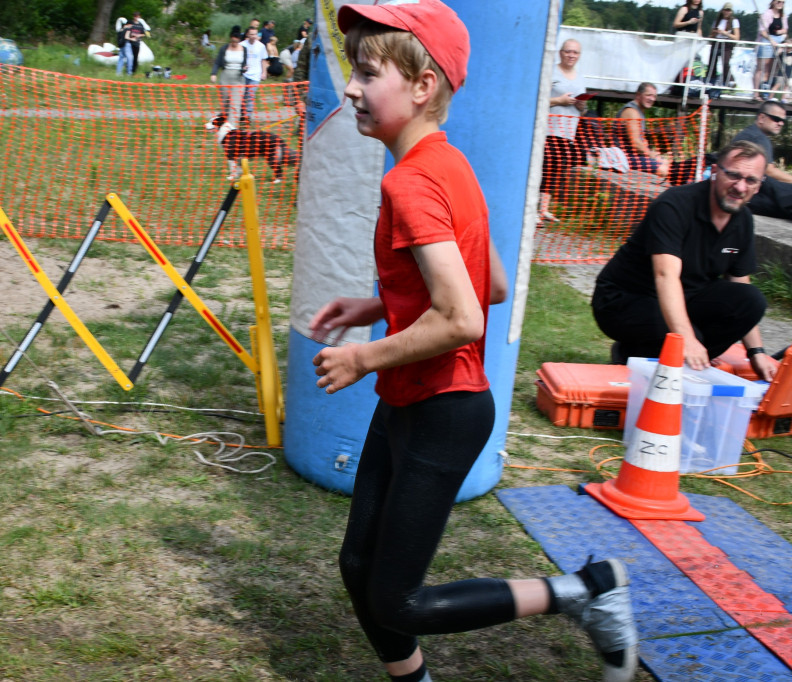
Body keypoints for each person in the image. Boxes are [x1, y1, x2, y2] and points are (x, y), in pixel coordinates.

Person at [309, 2, 639, 682]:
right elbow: (487, 283)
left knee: (398, 598)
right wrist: (376, 304)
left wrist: (361, 354)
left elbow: (462, 318)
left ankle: (583, 593)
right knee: (359, 568)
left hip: (444, 411)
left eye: (368, 73)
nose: (351, 89)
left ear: (423, 85)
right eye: (352, 71)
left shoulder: (412, 181)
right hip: (410, 398)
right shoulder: (448, 164)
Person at [591, 140, 779, 381]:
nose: (740, 187)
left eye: (750, 180)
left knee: (751, 301)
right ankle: (631, 352)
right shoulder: (674, 205)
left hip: (685, 298)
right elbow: (665, 276)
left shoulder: (742, 220)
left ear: (759, 186)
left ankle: (679, 361)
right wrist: (687, 339)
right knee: (690, 338)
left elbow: (741, 283)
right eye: (733, 175)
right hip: (625, 300)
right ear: (714, 172)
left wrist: (757, 353)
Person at [540, 39, 588, 225]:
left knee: (557, 169)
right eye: (568, 51)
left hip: (568, 132)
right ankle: (534, 209)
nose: (571, 55)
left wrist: (582, 105)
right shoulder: (550, 71)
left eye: (575, 52)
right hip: (548, 129)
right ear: (560, 53)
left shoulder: (580, 77)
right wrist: (558, 101)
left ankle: (544, 209)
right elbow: (538, 97)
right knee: (545, 166)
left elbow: (582, 109)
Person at [732, 101, 792, 219]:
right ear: (761, 117)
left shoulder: (750, 133)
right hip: (751, 190)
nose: (780, 123)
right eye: (776, 119)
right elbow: (769, 171)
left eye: (782, 121)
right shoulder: (758, 137)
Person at [618, 83, 671, 179]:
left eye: (654, 96)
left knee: (667, 162)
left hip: (634, 156)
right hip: (624, 157)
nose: (652, 99)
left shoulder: (640, 111)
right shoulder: (631, 111)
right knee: (663, 169)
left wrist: (653, 153)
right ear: (638, 95)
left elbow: (640, 140)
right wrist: (650, 154)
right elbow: (635, 142)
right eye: (648, 95)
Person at [210, 27, 247, 124]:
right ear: (230, 38)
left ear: (239, 40)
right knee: (225, 103)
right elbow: (217, 62)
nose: (234, 43)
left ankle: (232, 127)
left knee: (235, 103)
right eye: (233, 41)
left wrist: (244, 68)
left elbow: (245, 63)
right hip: (225, 76)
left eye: (236, 41)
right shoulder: (224, 48)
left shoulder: (244, 49)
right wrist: (214, 74)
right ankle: (224, 123)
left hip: (238, 77)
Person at [754, 0, 787, 100]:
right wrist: (771, 40)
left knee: (770, 69)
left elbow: (785, 29)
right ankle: (756, 93)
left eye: (782, 2)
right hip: (766, 41)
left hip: (778, 41)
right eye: (778, 1)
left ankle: (765, 91)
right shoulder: (767, 14)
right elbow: (762, 31)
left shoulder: (783, 16)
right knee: (761, 68)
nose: (780, 3)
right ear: (773, 2)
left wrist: (780, 32)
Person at [239, 26, 269, 123]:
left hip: (255, 75)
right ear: (247, 34)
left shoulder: (261, 46)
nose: (253, 36)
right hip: (244, 75)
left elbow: (263, 60)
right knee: (242, 96)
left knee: (250, 96)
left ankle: (248, 117)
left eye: (255, 34)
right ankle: (242, 115)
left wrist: (264, 72)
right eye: (251, 34)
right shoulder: (242, 45)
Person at [708, 3, 740, 89]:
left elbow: (737, 37)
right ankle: (711, 80)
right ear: (722, 11)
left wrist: (725, 33)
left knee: (725, 63)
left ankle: (729, 81)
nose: (727, 12)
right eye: (725, 10)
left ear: (731, 11)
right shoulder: (717, 21)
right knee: (712, 62)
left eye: (729, 10)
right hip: (716, 42)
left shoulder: (734, 21)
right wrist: (715, 32)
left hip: (727, 44)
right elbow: (711, 35)